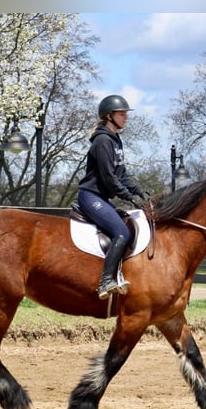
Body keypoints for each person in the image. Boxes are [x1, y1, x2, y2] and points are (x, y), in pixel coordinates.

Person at [76, 94, 150, 300]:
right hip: (91, 196)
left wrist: (138, 191)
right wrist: (128, 197)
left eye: (126, 113)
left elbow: (122, 174)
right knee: (121, 233)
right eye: (121, 114)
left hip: (101, 198)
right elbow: (108, 178)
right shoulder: (102, 141)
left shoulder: (115, 140)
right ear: (109, 116)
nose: (126, 117)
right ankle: (106, 281)